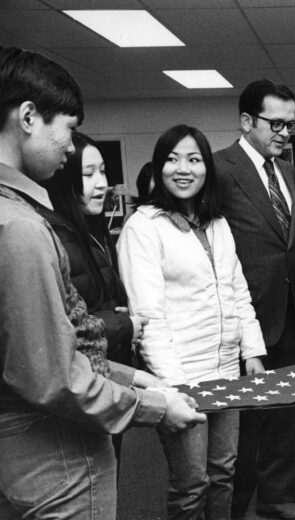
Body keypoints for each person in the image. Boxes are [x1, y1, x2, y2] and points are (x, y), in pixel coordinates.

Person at [0, 46, 204, 520]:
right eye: (68, 130)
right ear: (29, 116)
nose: (71, 148)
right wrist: (151, 406)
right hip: (55, 455)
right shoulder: (23, 229)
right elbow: (53, 375)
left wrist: (132, 378)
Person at [118, 125, 267, 519]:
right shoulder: (144, 227)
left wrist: (252, 350)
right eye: (172, 159)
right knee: (191, 485)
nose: (183, 169)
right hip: (182, 377)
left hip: (227, 369)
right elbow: (149, 317)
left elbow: (238, 290)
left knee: (223, 473)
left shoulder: (217, 222)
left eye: (194, 159)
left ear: (207, 169)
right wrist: (173, 388)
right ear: (158, 166)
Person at [213, 79, 295, 520]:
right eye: (276, 123)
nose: (285, 133)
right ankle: (234, 509)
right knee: (245, 424)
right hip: (246, 319)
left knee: (286, 415)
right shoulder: (219, 168)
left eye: (290, 125)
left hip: (292, 315)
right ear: (246, 121)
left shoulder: (288, 172)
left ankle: (278, 500)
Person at [41, 131, 148, 464]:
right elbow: (62, 328)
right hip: (82, 389)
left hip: (107, 375)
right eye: (88, 175)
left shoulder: (90, 230)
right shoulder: (53, 238)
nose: (101, 183)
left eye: (103, 172)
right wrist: (124, 324)